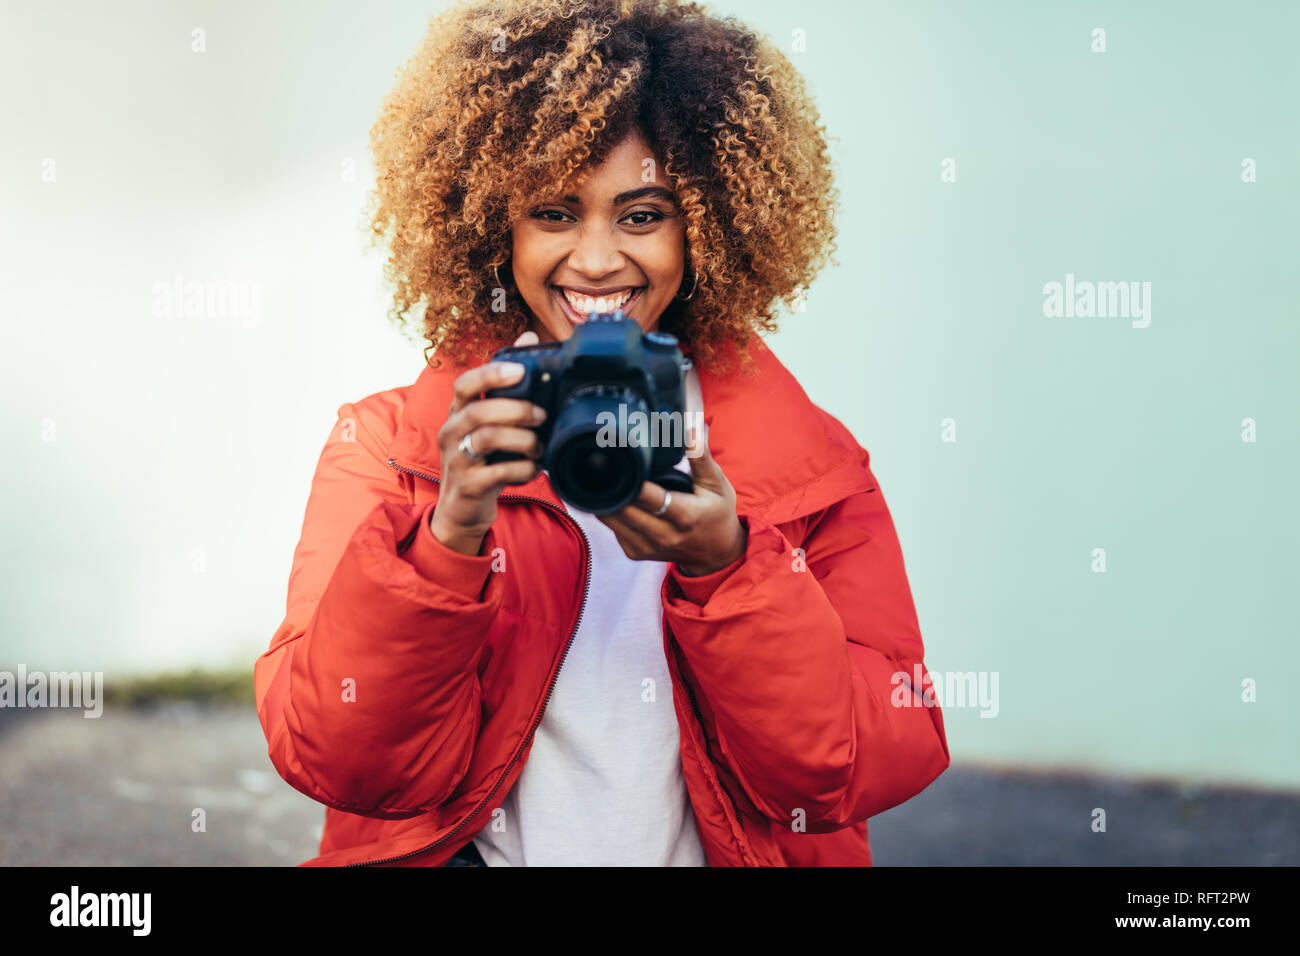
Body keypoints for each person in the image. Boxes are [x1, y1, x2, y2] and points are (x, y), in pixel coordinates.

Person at [254, 0, 949, 867]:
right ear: (490, 224)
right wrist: (445, 543)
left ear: (708, 226)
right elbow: (342, 758)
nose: (593, 260)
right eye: (552, 212)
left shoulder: (812, 466)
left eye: (642, 215)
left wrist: (730, 568)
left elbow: (850, 769)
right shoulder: (391, 448)